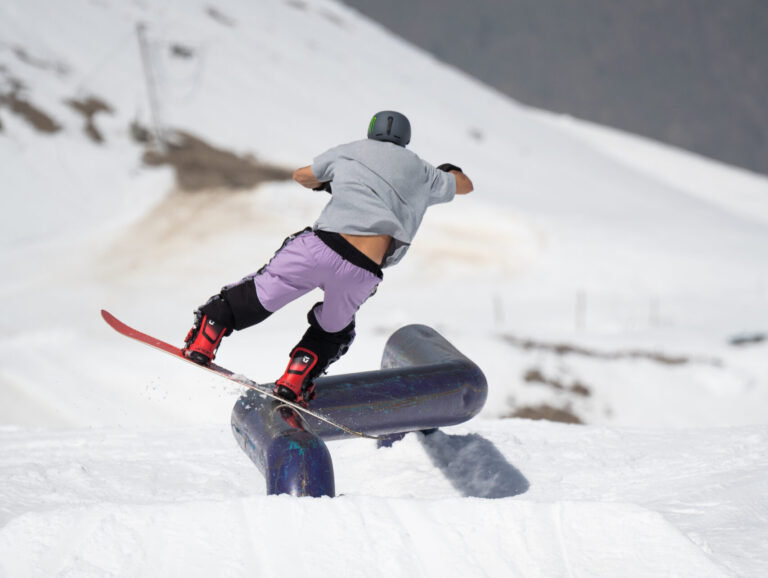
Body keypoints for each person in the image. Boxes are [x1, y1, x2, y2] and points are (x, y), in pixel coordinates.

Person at [182, 110, 473, 405]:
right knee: (334, 330)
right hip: (362, 271)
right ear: (406, 138)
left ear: (372, 130)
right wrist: (448, 172)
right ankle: (296, 378)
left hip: (319, 247)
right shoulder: (424, 173)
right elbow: (464, 185)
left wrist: (326, 182)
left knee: (260, 292)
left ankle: (208, 333)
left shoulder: (350, 151)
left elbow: (302, 175)